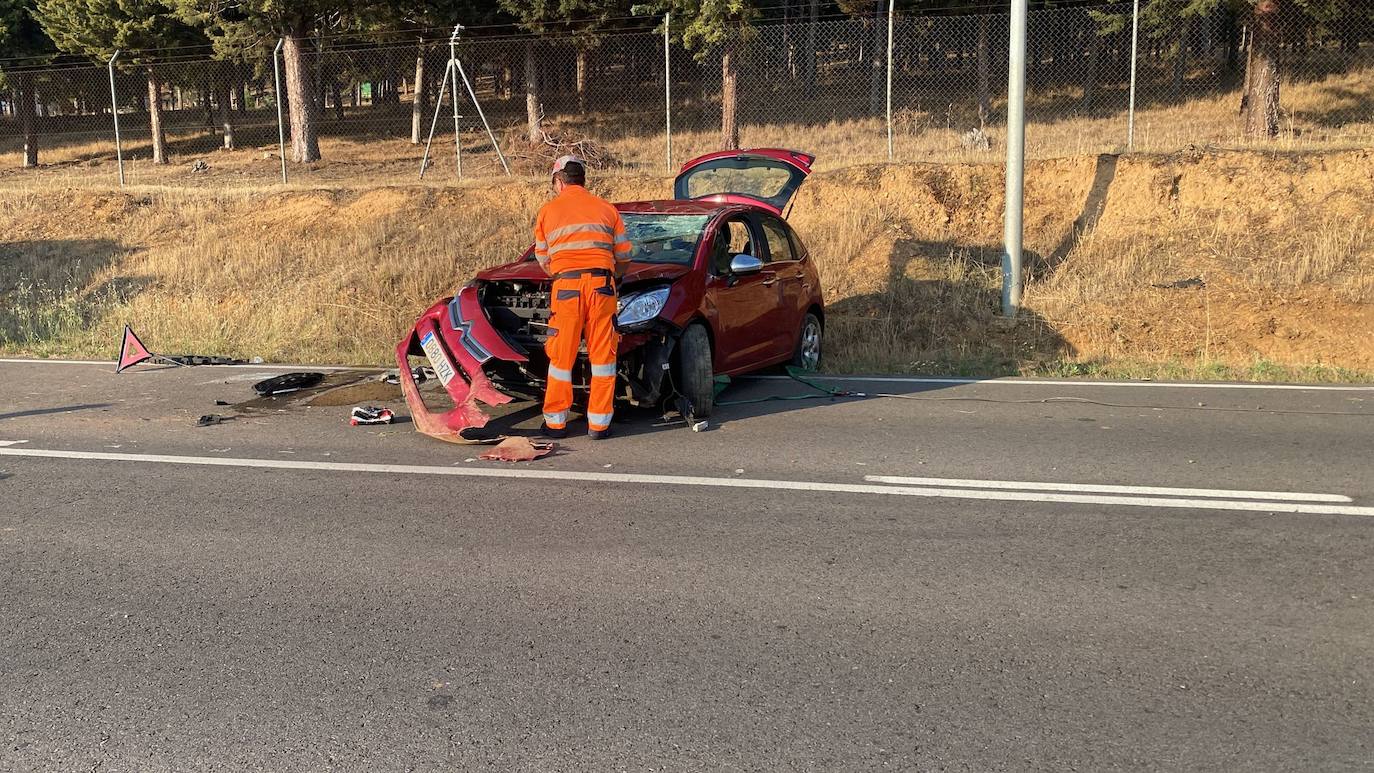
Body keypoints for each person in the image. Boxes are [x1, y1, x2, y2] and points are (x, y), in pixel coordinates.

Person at [533, 155, 632, 440]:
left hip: (566, 289)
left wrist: (564, 273)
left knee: (561, 356)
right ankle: (599, 424)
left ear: (559, 181)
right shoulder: (606, 209)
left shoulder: (548, 211)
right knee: (603, 356)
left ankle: (556, 423)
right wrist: (615, 278)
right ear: (583, 180)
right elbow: (624, 255)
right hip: (602, 287)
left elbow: (543, 257)